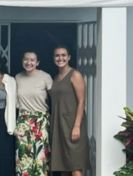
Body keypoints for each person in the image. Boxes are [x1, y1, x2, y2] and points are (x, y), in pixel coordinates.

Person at [48, 45, 91, 176]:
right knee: (63, 164)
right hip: (59, 124)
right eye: (57, 55)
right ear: (53, 58)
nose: (60, 58)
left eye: (63, 55)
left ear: (69, 57)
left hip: (72, 123)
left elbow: (82, 101)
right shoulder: (55, 78)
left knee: (75, 165)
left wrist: (77, 126)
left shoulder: (75, 75)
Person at [15, 50, 53, 176]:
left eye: (32, 60)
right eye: (26, 59)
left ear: (38, 62)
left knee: (40, 159)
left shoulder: (45, 77)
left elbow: (54, 99)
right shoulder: (18, 77)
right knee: (23, 159)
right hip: (23, 121)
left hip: (41, 121)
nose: (29, 62)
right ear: (22, 61)